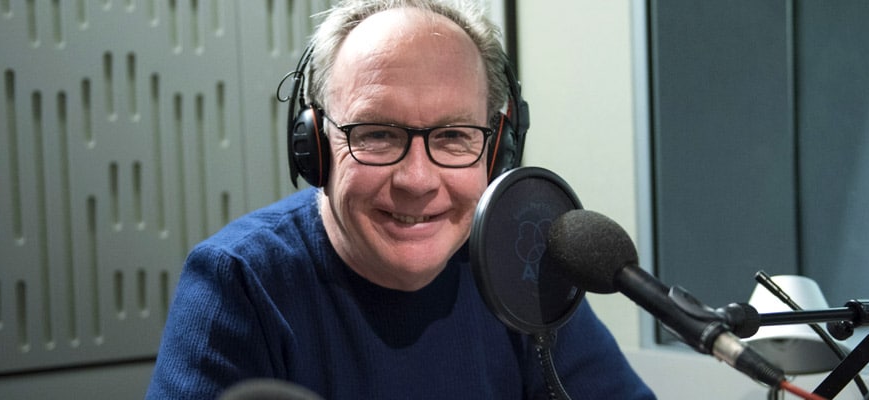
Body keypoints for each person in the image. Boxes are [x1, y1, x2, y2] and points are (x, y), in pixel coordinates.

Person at [145, 0, 656, 399]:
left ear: (498, 153)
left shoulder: (516, 265)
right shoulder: (240, 284)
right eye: (377, 134)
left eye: (454, 136)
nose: (417, 179)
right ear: (315, 145)